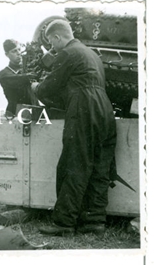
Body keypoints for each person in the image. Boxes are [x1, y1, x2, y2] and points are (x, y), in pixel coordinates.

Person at [30, 19, 117, 235]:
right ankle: (94, 221)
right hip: (105, 110)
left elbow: (49, 88)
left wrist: (35, 86)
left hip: (83, 108)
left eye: (51, 43)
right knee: (99, 167)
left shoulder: (67, 54)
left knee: (74, 164)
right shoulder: (92, 55)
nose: (52, 48)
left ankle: (64, 223)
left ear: (58, 37)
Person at [0, 39, 39, 117]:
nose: (18, 53)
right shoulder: (4, 74)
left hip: (35, 112)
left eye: (19, 50)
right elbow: (19, 79)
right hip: (15, 114)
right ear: (6, 54)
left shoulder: (29, 69)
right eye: (14, 51)